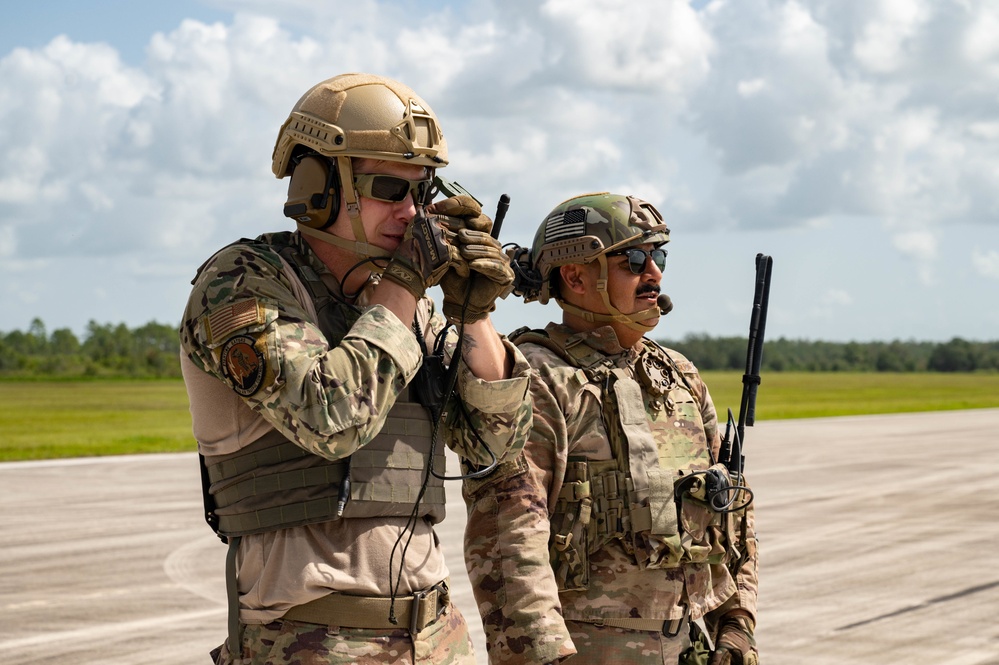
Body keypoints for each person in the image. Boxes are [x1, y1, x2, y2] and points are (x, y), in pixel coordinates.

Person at [179, 73, 531, 665]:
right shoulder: (244, 283)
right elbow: (331, 416)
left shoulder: (403, 300)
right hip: (309, 640)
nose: (413, 211)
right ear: (319, 187)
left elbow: (492, 447)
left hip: (435, 636)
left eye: (424, 190)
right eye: (390, 188)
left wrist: (473, 312)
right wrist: (407, 285)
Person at [462, 193, 759, 665]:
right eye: (634, 259)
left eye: (658, 256)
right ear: (576, 276)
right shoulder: (538, 380)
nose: (654, 274)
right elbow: (508, 542)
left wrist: (736, 625)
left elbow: (726, 517)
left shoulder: (679, 375)